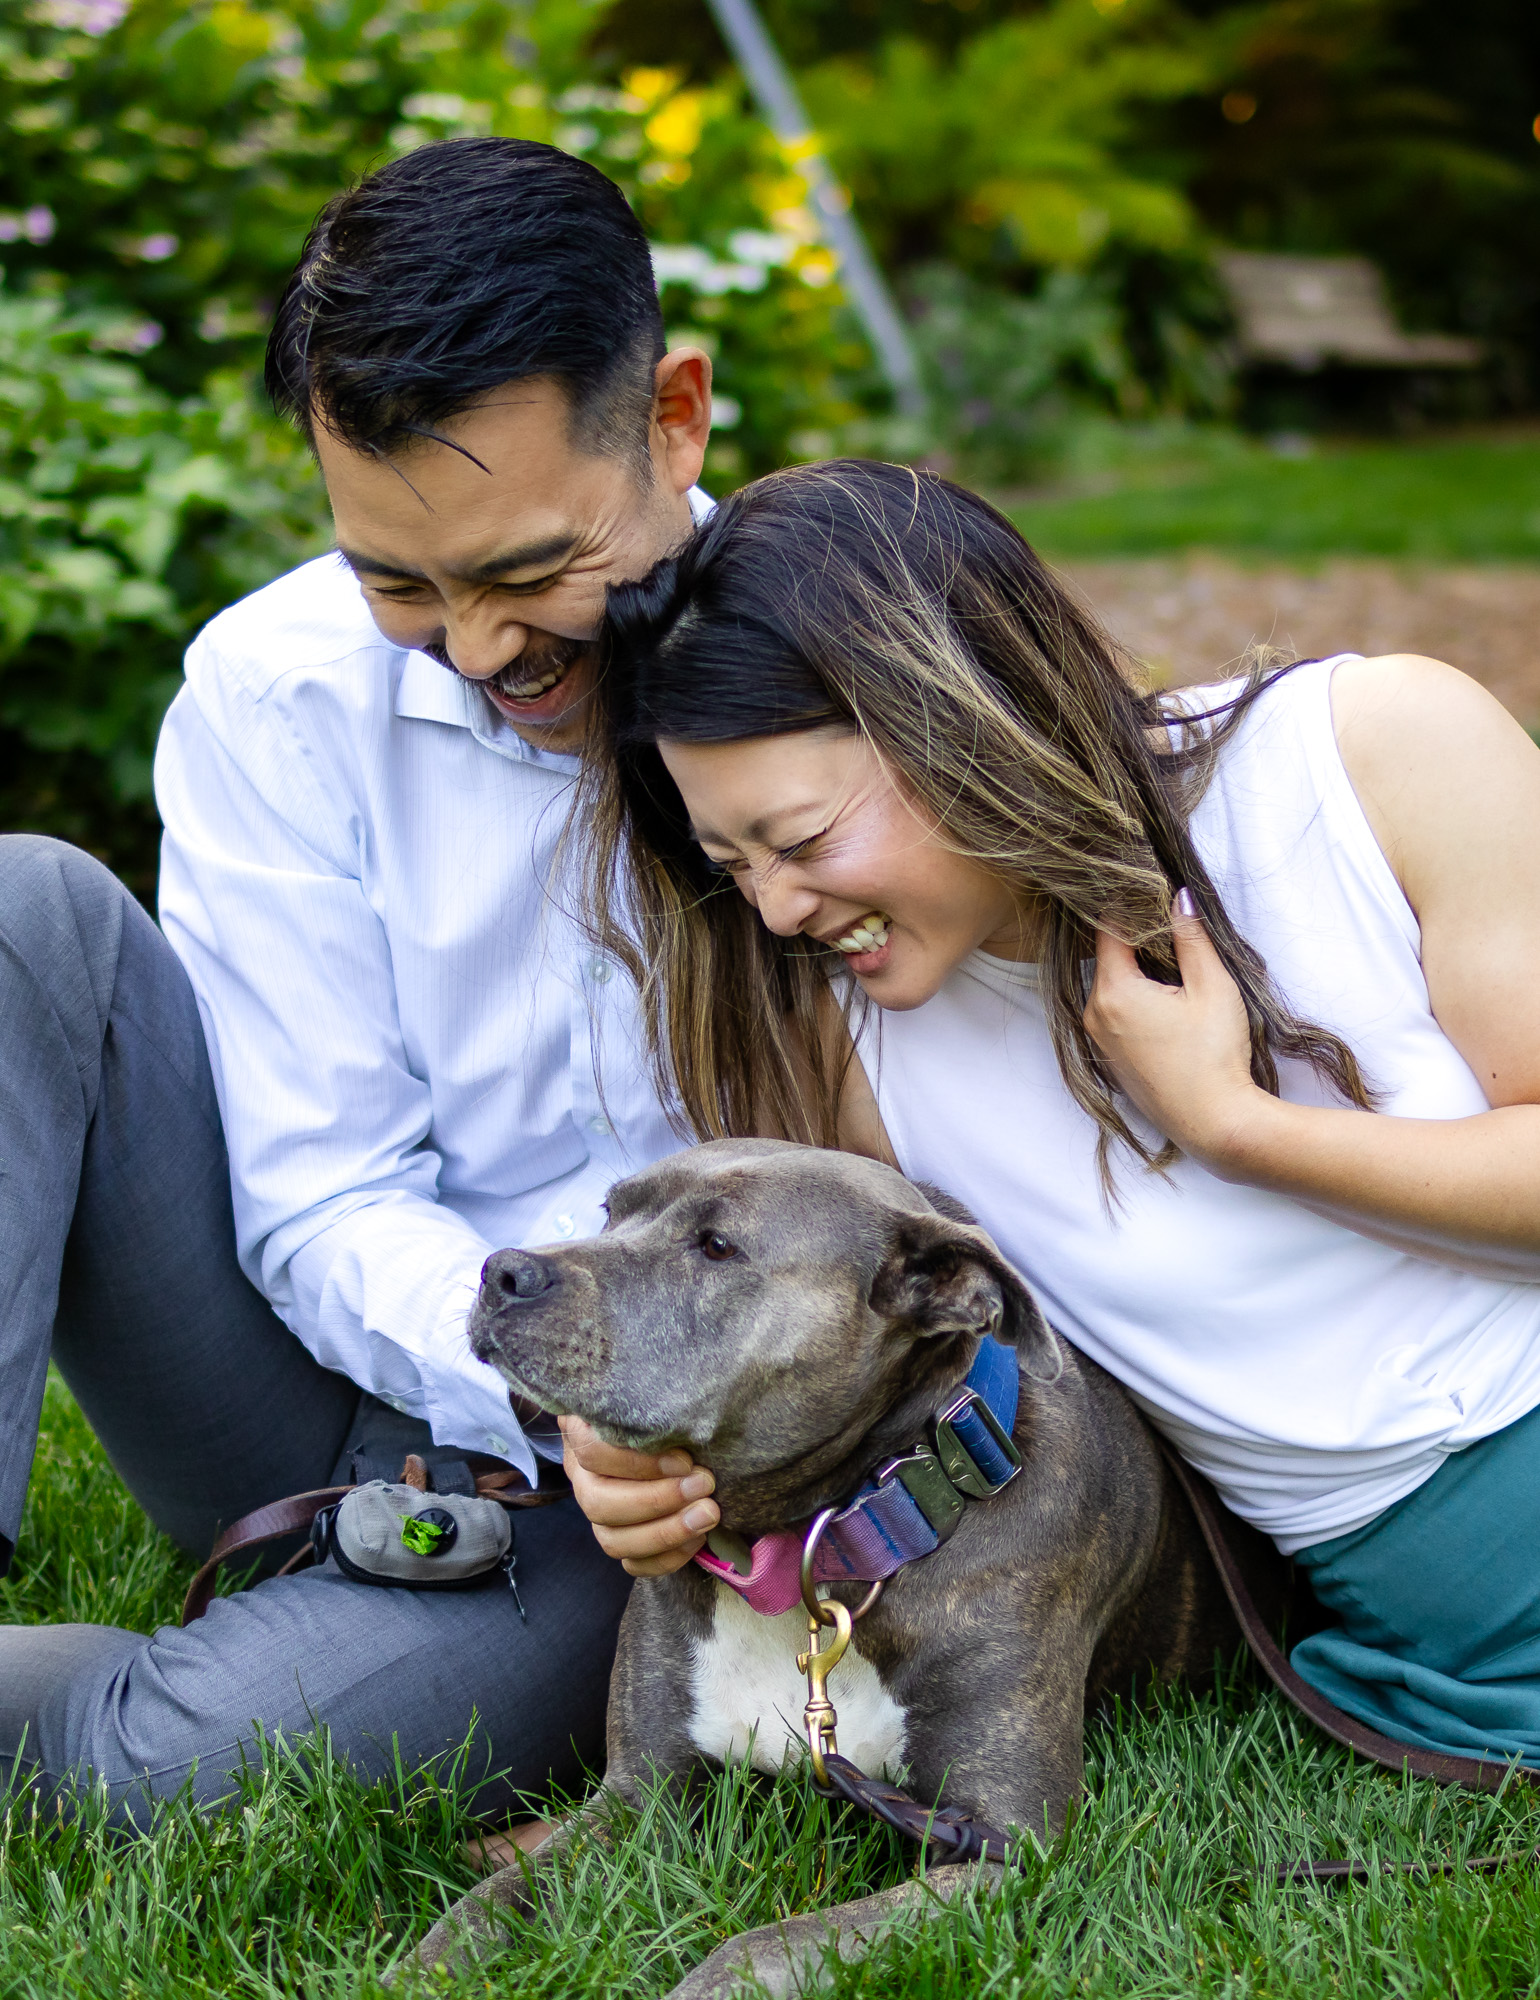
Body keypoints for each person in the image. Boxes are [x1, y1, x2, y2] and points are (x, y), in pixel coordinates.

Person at [564, 456, 1540, 1766]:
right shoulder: (858, 1051)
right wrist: (619, 1438)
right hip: (1436, 1614)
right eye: (731, 864)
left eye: (800, 840)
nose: (778, 909)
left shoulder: (1369, 756)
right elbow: (793, 1348)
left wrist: (1242, 1128)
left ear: (957, 715)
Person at [0, 136, 720, 1829]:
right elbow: (319, 1194)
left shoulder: (831, 664)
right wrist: (526, 1363)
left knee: (169, 1777)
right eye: (402, 580)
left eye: (532, 568)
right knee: (22, 913)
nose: (480, 647)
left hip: (617, 1491)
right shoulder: (274, 690)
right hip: (321, 1376)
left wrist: (622, 1410)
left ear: (673, 416)